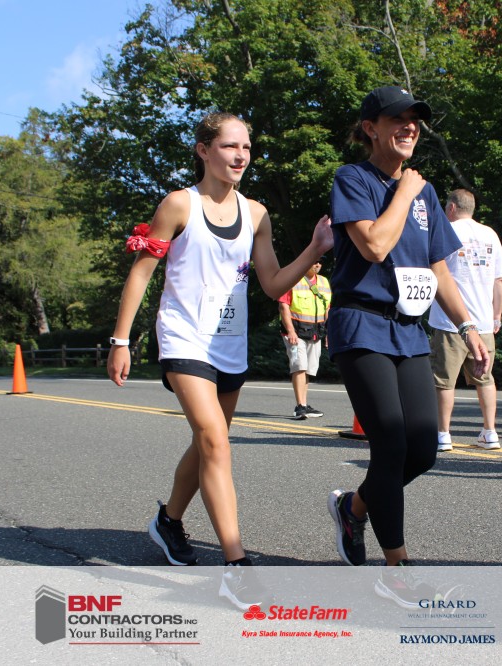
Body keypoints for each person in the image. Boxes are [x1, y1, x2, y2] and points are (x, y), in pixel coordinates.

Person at [107, 112, 333, 609]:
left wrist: (315, 248)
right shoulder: (179, 204)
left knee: (209, 443)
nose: (240, 155)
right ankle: (236, 566)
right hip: (184, 339)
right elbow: (142, 272)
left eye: (247, 147)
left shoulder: (256, 214)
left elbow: (273, 283)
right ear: (204, 150)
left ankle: (169, 521)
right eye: (230, 146)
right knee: (214, 440)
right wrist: (121, 340)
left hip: (228, 344)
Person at [325, 86, 489, 604]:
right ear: (370, 127)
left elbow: (439, 268)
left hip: (409, 330)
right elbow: (374, 245)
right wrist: (404, 193)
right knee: (390, 444)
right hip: (361, 323)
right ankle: (396, 571)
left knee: (422, 448)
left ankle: (353, 508)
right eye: (398, 118)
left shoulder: (425, 193)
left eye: (415, 120)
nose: (410, 127)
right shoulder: (353, 179)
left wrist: (468, 326)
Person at [428, 188, 502, 451]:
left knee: (444, 380)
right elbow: (499, 279)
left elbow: (434, 270)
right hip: (482, 321)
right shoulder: (490, 234)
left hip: (450, 320)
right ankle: (490, 432)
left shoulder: (446, 230)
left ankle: (443, 434)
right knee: (486, 377)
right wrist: (496, 315)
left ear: (452, 207)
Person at [278, 259, 330, 419]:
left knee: (308, 369)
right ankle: (299, 406)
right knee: (299, 366)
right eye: (314, 261)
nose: (317, 265)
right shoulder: (293, 279)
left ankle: (304, 405)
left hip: (315, 333)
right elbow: (283, 306)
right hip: (296, 332)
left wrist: (328, 333)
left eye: (320, 262)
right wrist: (290, 331)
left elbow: (327, 308)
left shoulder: (324, 282)